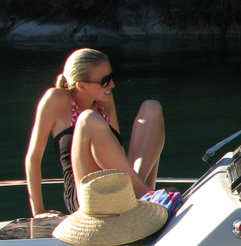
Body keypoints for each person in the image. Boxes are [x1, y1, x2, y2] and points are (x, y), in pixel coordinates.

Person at [25, 48, 165, 217]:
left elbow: (117, 151)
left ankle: (139, 192)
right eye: (105, 81)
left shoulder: (105, 99)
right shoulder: (56, 99)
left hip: (120, 184)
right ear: (81, 86)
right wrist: (38, 211)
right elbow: (33, 157)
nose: (112, 84)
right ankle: (146, 193)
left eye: (112, 77)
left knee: (152, 108)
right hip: (85, 192)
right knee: (88, 119)